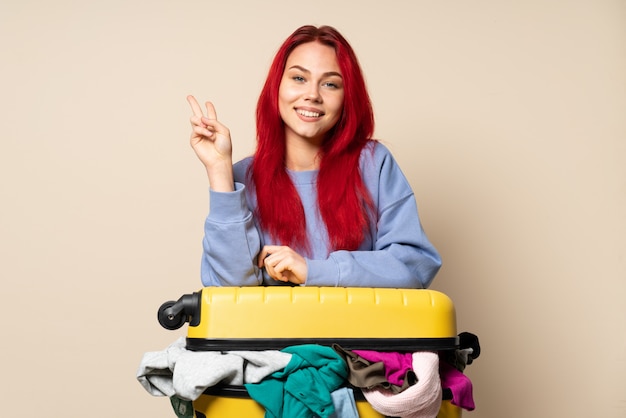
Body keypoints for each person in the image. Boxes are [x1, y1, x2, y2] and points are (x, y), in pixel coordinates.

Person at [187, 25, 441, 288]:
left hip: (358, 329)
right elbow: (230, 287)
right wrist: (219, 170)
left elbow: (414, 265)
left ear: (347, 98)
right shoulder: (241, 177)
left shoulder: (373, 164)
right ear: (277, 87)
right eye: (299, 78)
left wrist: (313, 270)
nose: (312, 95)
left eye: (330, 84)